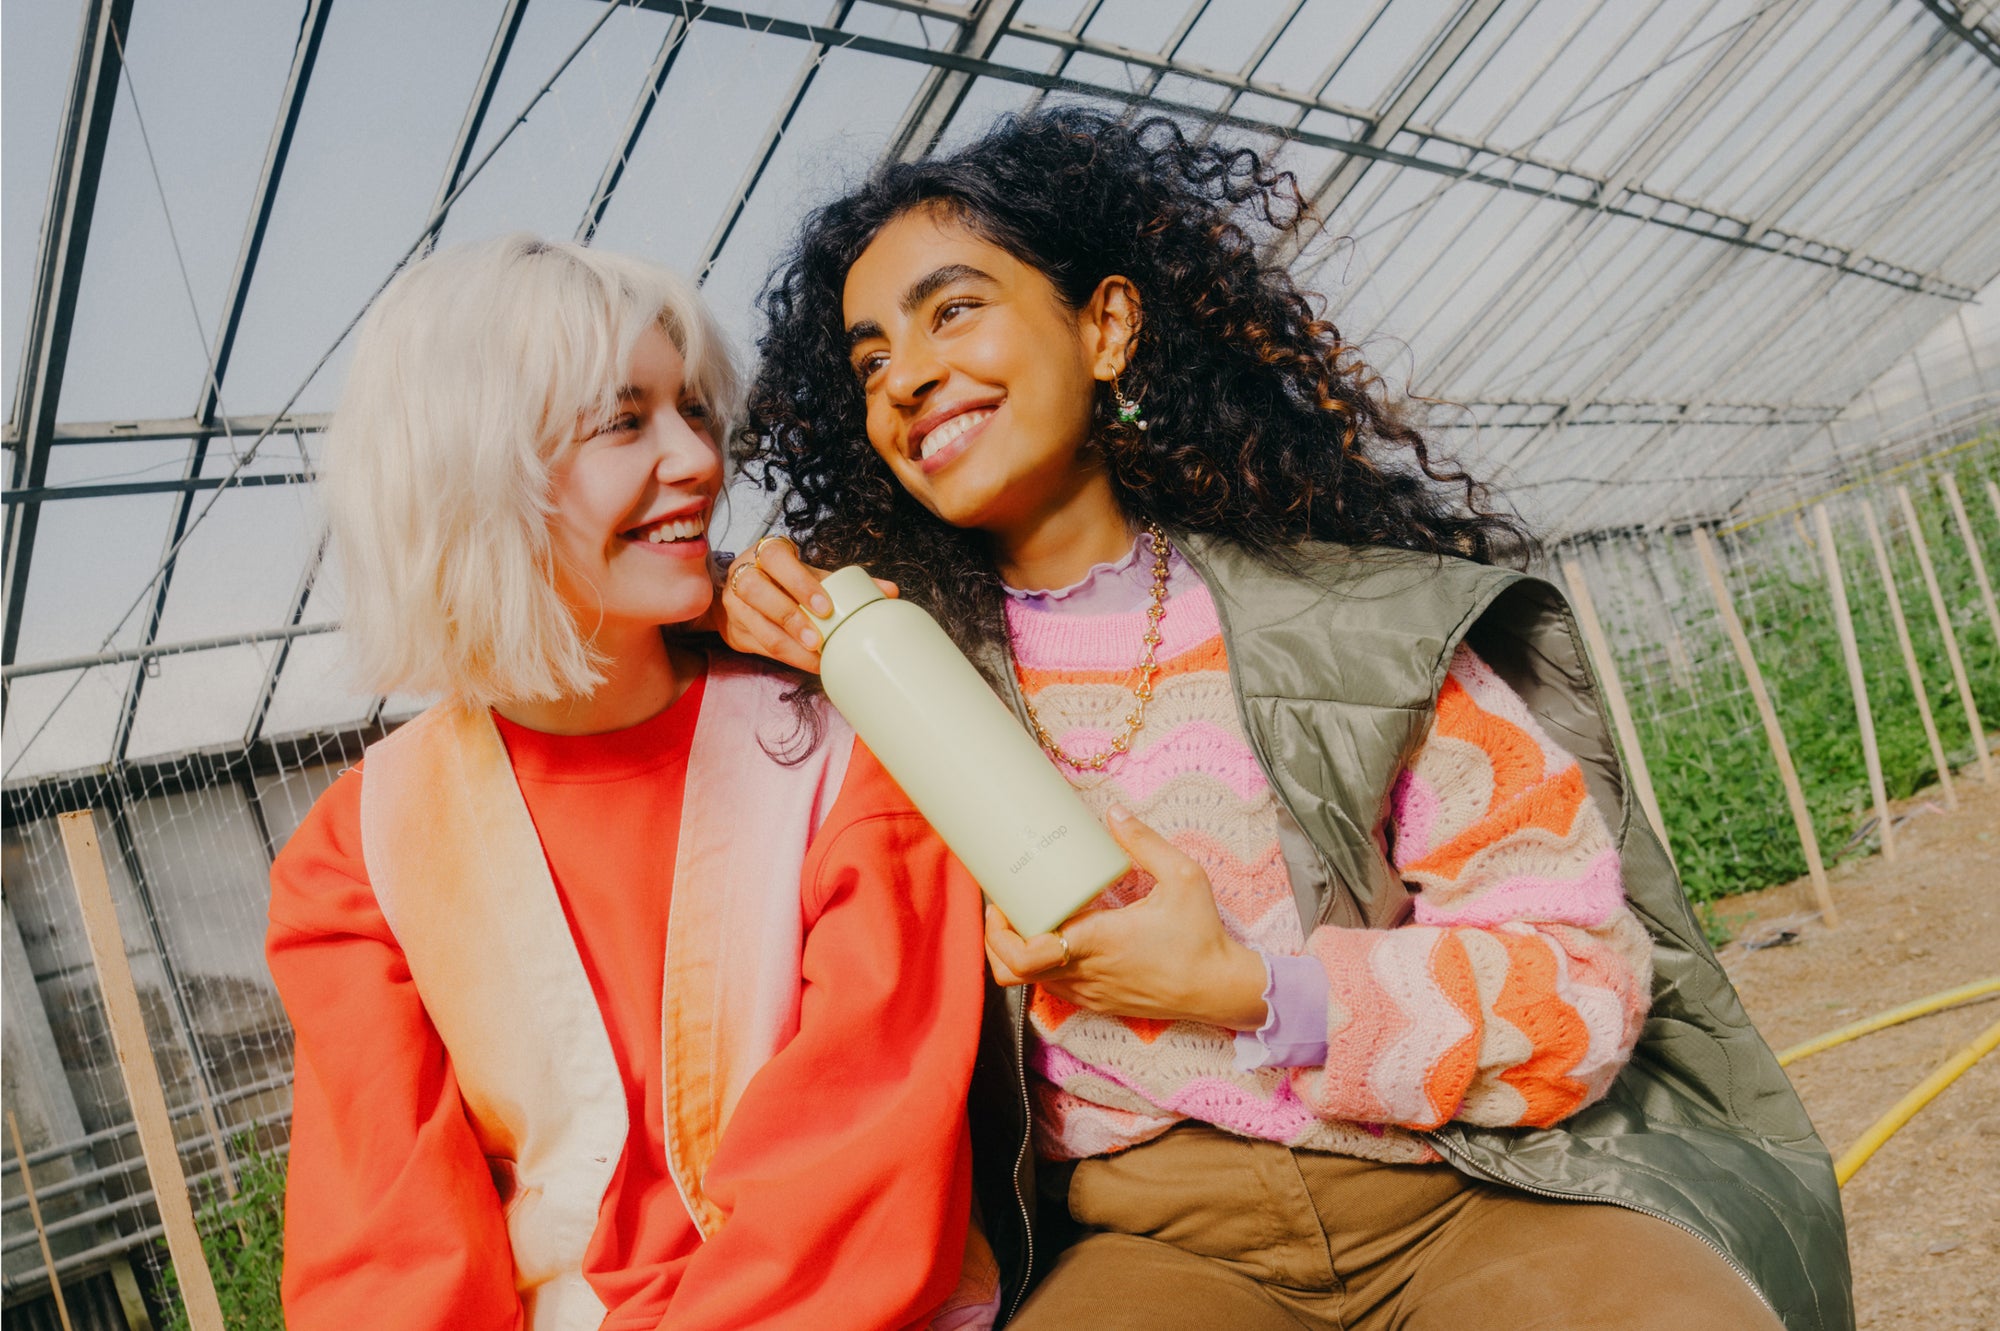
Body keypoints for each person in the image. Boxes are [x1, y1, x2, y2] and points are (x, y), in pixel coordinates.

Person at [721, 110, 1851, 1330]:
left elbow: (1577, 986)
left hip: (1466, 1191)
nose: (909, 375)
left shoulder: (1360, 629)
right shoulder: (896, 673)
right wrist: (722, 600)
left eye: (952, 310)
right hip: (1153, 1240)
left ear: (1104, 327)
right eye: (870, 356)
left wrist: (1250, 987)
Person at [266, 235, 996, 1330]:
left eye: (693, 409)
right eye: (623, 421)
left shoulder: (846, 742)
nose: (701, 459)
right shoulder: (354, 853)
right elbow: (385, 1253)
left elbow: (860, 1180)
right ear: (469, 479)